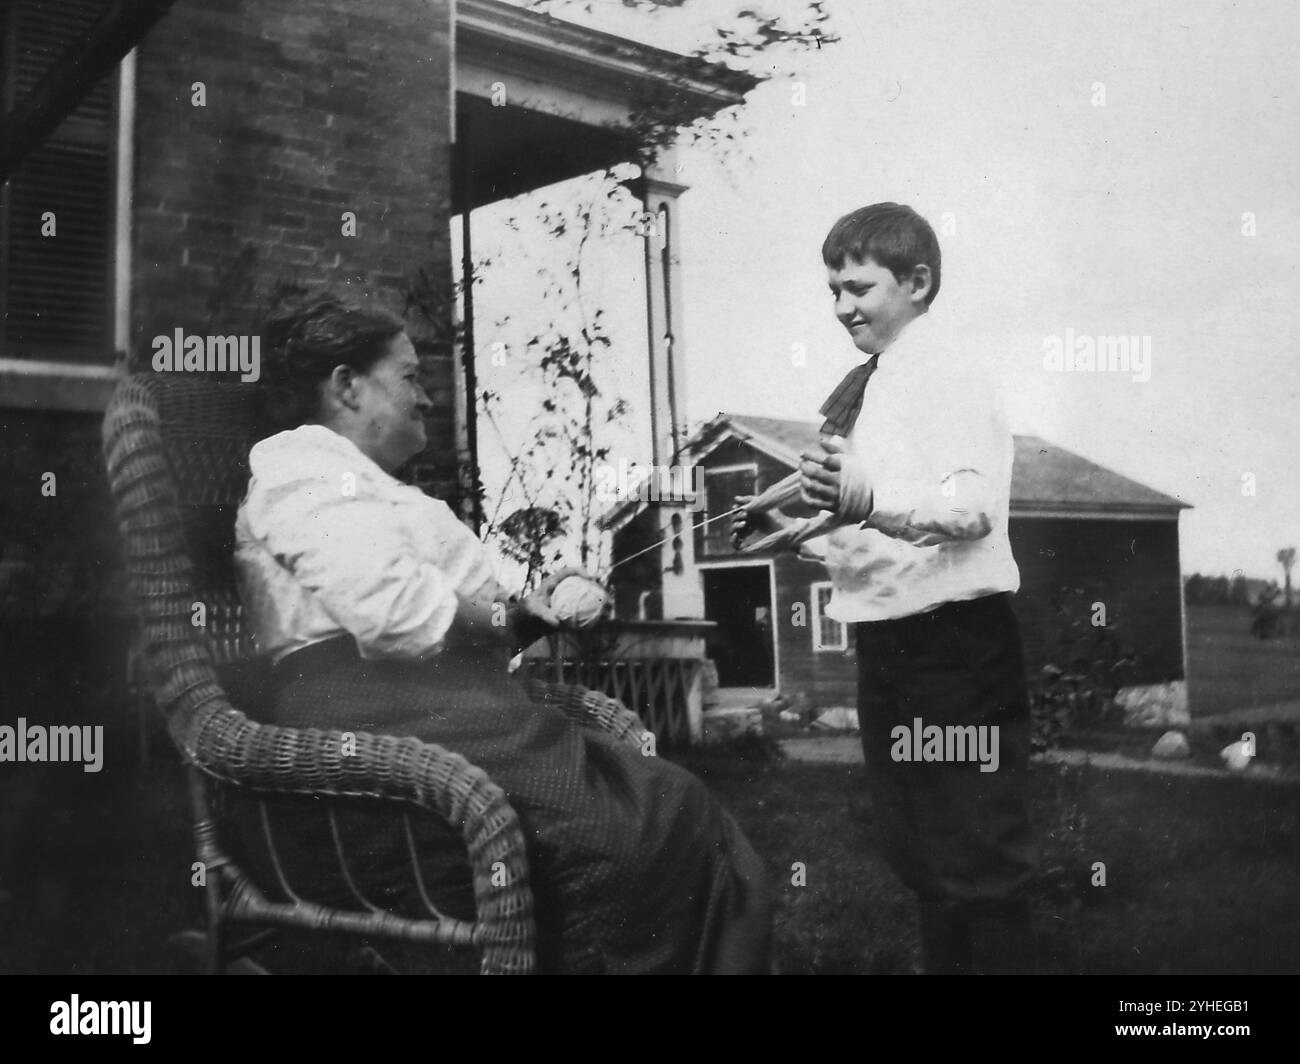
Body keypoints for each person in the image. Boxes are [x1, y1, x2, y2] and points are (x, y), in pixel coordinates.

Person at [232, 294, 772, 974]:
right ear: (345, 385)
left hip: (444, 709)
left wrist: (529, 610)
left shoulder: (371, 487)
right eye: (408, 376)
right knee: (642, 830)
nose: (427, 398)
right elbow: (396, 614)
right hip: (367, 716)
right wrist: (505, 616)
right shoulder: (299, 465)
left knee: (680, 810)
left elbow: (455, 620)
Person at [734, 203, 1039, 974]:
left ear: (918, 282)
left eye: (858, 287)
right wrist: (796, 525)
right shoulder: (874, 385)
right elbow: (865, 521)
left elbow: (967, 512)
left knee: (974, 860)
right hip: (895, 649)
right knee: (924, 859)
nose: (841, 307)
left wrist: (865, 503)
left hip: (955, 651)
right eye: (832, 290)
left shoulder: (951, 374)